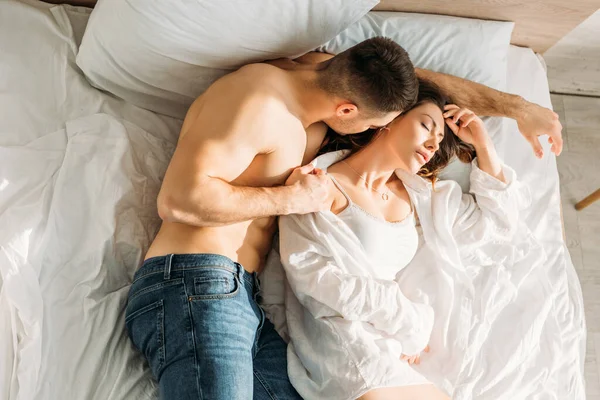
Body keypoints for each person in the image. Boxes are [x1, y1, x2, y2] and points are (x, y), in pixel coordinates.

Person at [124, 36, 561, 400]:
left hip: (248, 301)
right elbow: (179, 200)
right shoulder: (258, 101)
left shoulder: (330, 76)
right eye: (385, 120)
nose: (384, 127)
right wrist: (290, 200)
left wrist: (517, 108)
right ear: (350, 111)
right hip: (193, 281)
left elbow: (420, 86)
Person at [272, 80, 527, 400]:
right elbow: (314, 278)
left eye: (438, 139)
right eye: (426, 126)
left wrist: (483, 145)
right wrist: (409, 323)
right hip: (347, 344)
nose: (433, 145)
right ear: (390, 119)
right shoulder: (320, 186)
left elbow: (500, 225)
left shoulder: (424, 197)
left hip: (395, 347)